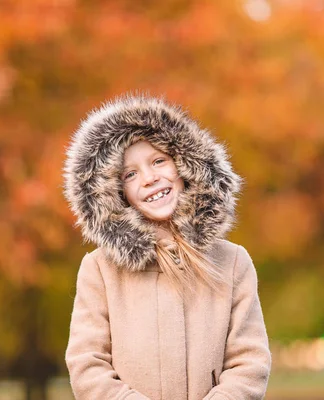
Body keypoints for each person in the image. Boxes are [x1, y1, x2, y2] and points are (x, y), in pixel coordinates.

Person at [62, 95, 271, 400]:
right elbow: (87, 365)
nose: (149, 178)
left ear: (186, 165)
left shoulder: (232, 262)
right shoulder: (100, 270)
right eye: (130, 174)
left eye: (159, 161)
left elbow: (249, 361)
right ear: (116, 193)